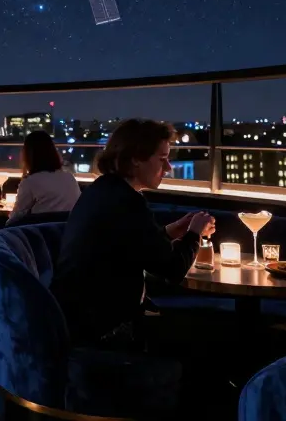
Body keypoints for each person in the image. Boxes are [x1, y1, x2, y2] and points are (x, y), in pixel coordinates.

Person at [52, 119, 214, 347]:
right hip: (104, 329)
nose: (168, 168)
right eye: (162, 159)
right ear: (136, 158)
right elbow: (173, 269)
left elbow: (134, 246)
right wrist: (195, 232)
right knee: (208, 334)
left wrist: (171, 232)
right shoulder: (127, 202)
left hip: (75, 317)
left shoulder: (103, 190)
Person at [8, 130, 81, 223]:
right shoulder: (69, 178)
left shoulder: (30, 182)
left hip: (41, 234)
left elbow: (15, 218)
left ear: (28, 155)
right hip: (68, 233)